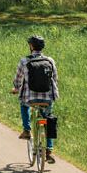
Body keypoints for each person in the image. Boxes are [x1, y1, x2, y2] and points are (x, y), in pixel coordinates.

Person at [13, 34, 58, 163]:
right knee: (48, 120)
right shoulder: (50, 61)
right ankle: (49, 150)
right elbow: (54, 79)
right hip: (47, 99)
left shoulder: (24, 61)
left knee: (23, 104)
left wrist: (16, 88)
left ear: (31, 46)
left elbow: (18, 79)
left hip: (30, 98)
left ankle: (27, 130)